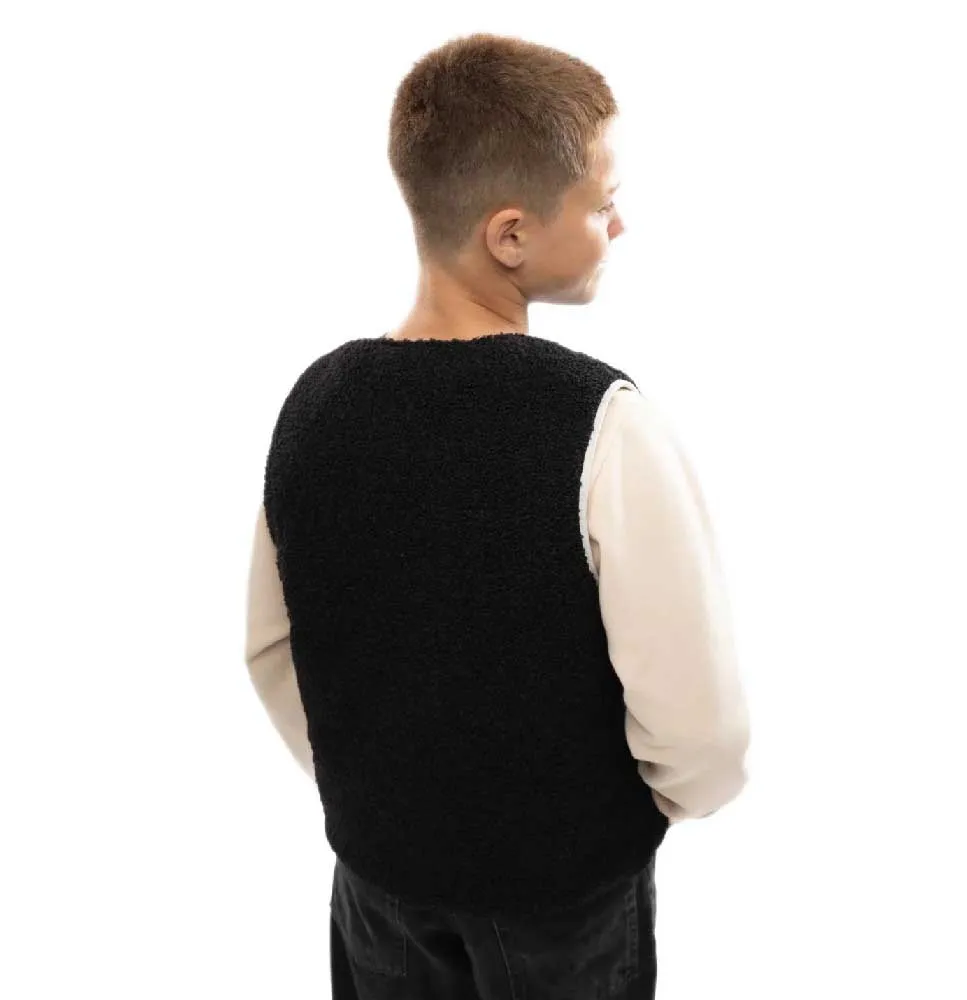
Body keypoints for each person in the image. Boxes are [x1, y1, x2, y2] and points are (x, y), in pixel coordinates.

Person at [244, 31, 750, 999]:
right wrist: (645, 811)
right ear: (509, 235)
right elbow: (700, 726)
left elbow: (271, 645)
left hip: (379, 883)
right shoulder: (603, 423)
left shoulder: (315, 405)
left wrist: (379, 794)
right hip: (563, 899)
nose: (620, 224)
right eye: (601, 204)